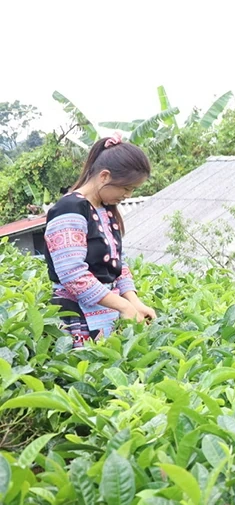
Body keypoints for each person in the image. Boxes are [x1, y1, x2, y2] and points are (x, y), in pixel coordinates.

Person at [43, 133, 157, 348]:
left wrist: (134, 302)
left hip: (108, 312)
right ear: (104, 176)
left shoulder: (105, 210)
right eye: (126, 188)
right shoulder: (69, 209)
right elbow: (73, 275)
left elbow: (117, 264)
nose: (128, 195)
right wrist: (123, 306)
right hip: (78, 316)